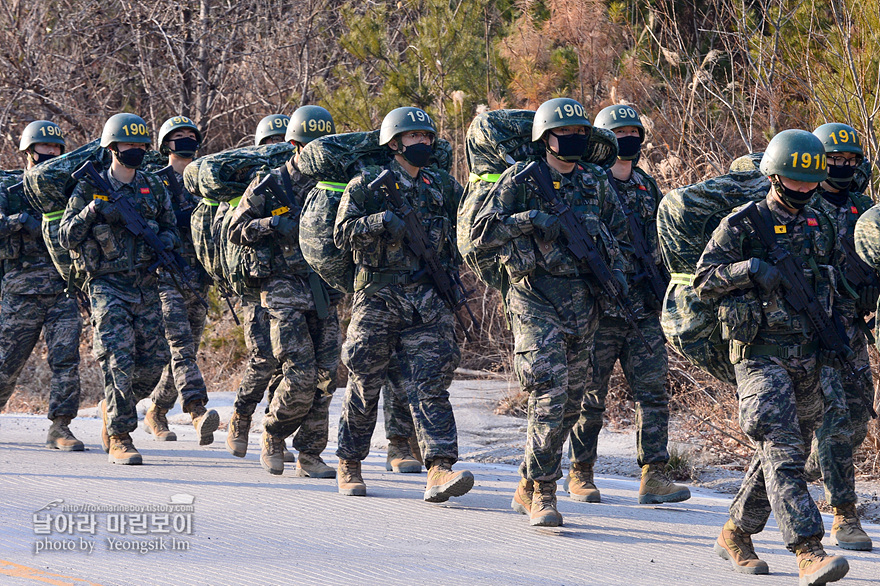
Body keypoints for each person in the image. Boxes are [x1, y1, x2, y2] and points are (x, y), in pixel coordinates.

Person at [694, 129, 849, 584]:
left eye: (809, 183)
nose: (802, 190)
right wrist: (747, 270)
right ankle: (808, 550)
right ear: (773, 174)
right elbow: (703, 280)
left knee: (785, 456)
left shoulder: (820, 222)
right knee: (780, 448)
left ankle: (736, 532)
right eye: (793, 181)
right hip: (759, 354)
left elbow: (835, 282)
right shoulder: (743, 223)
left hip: (808, 353)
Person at [471, 98, 624, 527]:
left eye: (581, 134)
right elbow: (481, 235)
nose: (574, 141)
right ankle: (544, 491)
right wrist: (529, 219)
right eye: (565, 133)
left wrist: (616, 280)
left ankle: (526, 479)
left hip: (583, 302)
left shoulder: (595, 183)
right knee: (549, 391)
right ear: (545, 137)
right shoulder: (520, 178)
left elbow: (617, 236)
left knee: (571, 404)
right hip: (533, 296)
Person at [333, 106, 473, 502]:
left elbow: (463, 230)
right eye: (415, 138)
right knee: (364, 383)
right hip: (379, 296)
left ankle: (440, 468)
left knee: (431, 383)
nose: (423, 143)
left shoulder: (442, 186)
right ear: (394, 143)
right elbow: (342, 235)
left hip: (428, 299)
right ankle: (350, 462)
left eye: (427, 137)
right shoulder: (365, 186)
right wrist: (380, 223)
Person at [566, 104, 688, 505]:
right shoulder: (589, 183)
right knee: (590, 395)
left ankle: (654, 474)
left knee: (653, 393)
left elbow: (660, 242)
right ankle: (581, 472)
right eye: (619, 132)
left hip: (641, 307)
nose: (628, 139)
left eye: (634, 131)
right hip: (600, 310)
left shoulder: (646, 186)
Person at [59, 113, 177, 466]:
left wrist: (161, 242)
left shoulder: (154, 186)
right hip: (107, 286)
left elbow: (172, 230)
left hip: (145, 284)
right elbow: (66, 235)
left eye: (142, 145)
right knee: (118, 360)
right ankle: (120, 437)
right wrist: (94, 210)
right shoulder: (87, 187)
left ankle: (113, 407)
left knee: (154, 365)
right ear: (112, 148)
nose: (137, 150)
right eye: (129, 145)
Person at [228, 105, 339, 478]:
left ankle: (310, 452)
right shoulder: (271, 183)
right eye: (309, 145)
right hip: (282, 291)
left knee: (326, 376)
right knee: (299, 373)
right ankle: (273, 434)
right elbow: (236, 228)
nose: (316, 152)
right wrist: (273, 224)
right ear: (294, 144)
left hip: (322, 288)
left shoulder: (334, 183)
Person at [805, 122, 874, 551]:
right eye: (835, 159)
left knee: (858, 416)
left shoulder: (864, 208)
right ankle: (844, 514)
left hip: (854, 327)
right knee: (833, 421)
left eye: (851, 160)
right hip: (814, 328)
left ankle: (812, 467)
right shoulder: (802, 203)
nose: (844, 167)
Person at [0, 120, 83, 451]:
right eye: (44, 147)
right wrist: (18, 222)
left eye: (56, 148)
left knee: (66, 360)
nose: (50, 153)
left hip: (63, 288)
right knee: (6, 364)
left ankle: (61, 427)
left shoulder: (68, 186)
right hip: (20, 291)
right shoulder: (8, 186)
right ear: (28, 151)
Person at [142, 115, 219, 445]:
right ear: (165, 144)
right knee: (180, 347)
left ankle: (156, 410)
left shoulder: (207, 181)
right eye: (178, 135)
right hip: (166, 277)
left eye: (191, 135)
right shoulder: (154, 182)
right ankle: (197, 409)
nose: (186, 139)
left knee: (182, 351)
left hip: (198, 278)